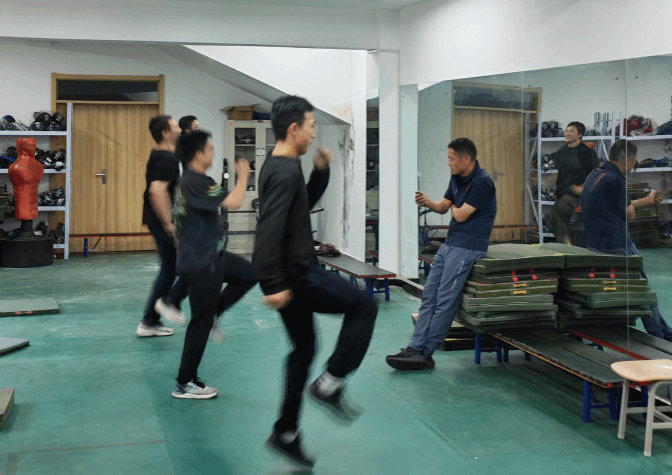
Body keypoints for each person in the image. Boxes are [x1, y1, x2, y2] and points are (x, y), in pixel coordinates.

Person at [253, 95, 378, 469]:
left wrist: (320, 172)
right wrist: (272, 283)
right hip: (296, 274)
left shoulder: (281, 165)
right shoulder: (284, 170)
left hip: (290, 272)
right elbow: (268, 229)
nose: (313, 134)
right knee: (363, 305)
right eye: (310, 127)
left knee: (304, 349)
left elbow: (298, 207)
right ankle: (330, 384)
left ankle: (286, 433)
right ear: (294, 129)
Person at [386, 138, 497, 370]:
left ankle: (426, 353)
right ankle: (415, 347)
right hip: (450, 244)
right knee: (429, 295)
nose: (449, 163)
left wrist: (454, 205)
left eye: (452, 159)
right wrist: (428, 202)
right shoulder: (457, 177)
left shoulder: (483, 182)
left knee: (445, 300)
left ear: (466, 159)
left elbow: (460, 215)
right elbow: (444, 206)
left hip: (468, 246)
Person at [171, 130, 257, 398]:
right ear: (198, 154)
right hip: (202, 261)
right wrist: (244, 176)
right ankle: (185, 382)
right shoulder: (196, 181)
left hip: (211, 256)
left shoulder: (195, 180)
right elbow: (234, 200)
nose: (213, 152)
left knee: (248, 273)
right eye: (209, 148)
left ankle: (214, 314)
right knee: (200, 321)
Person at [581, 139, 672, 341]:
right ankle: (660, 334)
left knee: (638, 286)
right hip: (615, 244)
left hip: (596, 242)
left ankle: (662, 330)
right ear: (629, 159)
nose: (634, 164)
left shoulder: (596, 174)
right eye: (635, 160)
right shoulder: (616, 179)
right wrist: (643, 203)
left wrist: (647, 200)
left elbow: (620, 205)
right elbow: (630, 214)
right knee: (642, 289)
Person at [154, 114, 202, 331]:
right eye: (195, 127)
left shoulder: (186, 153)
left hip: (184, 212)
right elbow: (160, 190)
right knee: (191, 263)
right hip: (181, 214)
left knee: (175, 266)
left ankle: (161, 310)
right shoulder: (178, 154)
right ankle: (169, 302)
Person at [137, 115, 182, 337]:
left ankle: (150, 320)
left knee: (170, 267)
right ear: (165, 133)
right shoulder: (166, 158)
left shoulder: (162, 154)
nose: (179, 129)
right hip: (161, 220)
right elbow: (157, 191)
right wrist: (168, 223)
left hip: (156, 218)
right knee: (173, 268)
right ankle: (156, 314)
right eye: (175, 126)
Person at [548, 121, 599, 244]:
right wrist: (548, 181)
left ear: (580, 135)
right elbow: (559, 172)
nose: (567, 133)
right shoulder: (562, 151)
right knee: (552, 217)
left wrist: (583, 188)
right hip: (564, 192)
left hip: (581, 194)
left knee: (559, 210)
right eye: (566, 131)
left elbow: (596, 174)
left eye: (571, 131)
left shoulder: (588, 153)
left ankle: (568, 243)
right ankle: (566, 244)